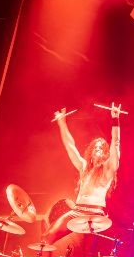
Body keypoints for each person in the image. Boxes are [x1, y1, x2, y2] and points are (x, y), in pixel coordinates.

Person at [44, 103, 121, 243]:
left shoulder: (108, 169)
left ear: (105, 153)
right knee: (47, 237)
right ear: (91, 152)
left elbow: (115, 143)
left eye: (101, 148)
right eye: (95, 147)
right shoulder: (84, 167)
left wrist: (115, 120)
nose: (97, 149)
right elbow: (70, 146)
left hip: (95, 212)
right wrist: (62, 123)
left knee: (86, 248)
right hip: (77, 210)